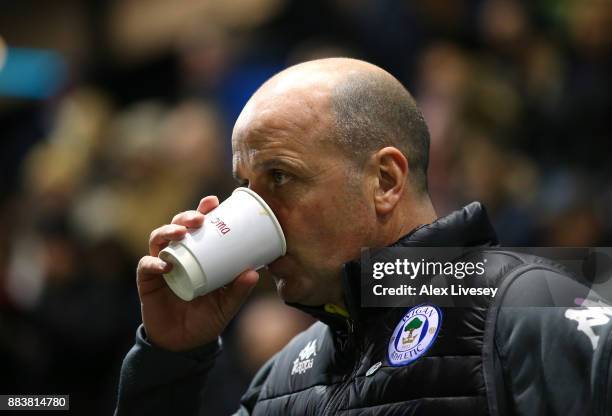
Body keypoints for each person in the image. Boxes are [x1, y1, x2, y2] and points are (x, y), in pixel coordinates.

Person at [114, 58, 612, 415]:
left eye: (280, 177)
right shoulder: (281, 379)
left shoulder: (534, 305)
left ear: (386, 181)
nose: (255, 208)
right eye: (245, 187)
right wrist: (169, 361)